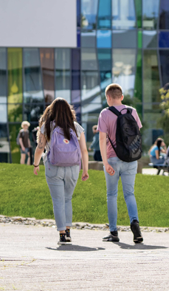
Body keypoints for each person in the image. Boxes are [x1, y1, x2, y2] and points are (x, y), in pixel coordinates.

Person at [32, 98, 89, 245]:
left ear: (52, 110)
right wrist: (85, 170)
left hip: (53, 167)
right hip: (73, 167)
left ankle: (62, 234)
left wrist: (35, 164)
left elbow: (40, 148)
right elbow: (84, 150)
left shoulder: (47, 127)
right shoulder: (76, 127)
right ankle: (68, 231)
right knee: (67, 199)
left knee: (58, 201)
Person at [98, 83, 144, 244]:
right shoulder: (132, 111)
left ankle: (113, 232)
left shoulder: (105, 113)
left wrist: (105, 163)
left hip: (112, 159)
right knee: (129, 194)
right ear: (122, 97)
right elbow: (137, 133)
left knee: (112, 195)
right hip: (131, 159)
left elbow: (102, 139)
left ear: (108, 97)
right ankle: (135, 224)